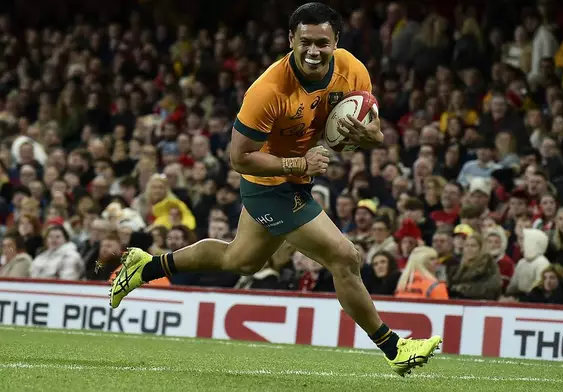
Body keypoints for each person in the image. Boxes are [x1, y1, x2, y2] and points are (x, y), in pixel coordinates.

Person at [105, 3, 441, 376]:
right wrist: (299, 164)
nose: (314, 51)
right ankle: (395, 348)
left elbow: (373, 130)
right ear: (291, 40)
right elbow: (240, 157)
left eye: (323, 43)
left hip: (297, 179)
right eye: (306, 42)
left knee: (241, 260)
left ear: (336, 42)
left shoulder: (352, 69)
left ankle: (145, 266)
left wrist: (371, 137)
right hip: (269, 185)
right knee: (344, 257)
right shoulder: (267, 90)